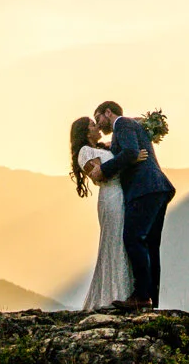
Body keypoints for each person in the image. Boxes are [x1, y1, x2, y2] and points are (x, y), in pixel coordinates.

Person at [94, 100, 174, 309]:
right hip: (157, 189)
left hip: (143, 189)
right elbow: (126, 150)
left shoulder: (122, 124)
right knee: (150, 245)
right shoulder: (128, 127)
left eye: (98, 118)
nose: (99, 125)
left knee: (133, 238)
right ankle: (150, 299)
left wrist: (104, 170)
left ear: (108, 112)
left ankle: (140, 295)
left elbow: (130, 152)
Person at [70, 115, 132, 311]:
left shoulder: (102, 148)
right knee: (114, 241)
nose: (97, 127)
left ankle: (124, 293)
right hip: (110, 197)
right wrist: (128, 158)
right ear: (86, 131)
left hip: (121, 194)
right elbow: (99, 174)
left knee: (122, 240)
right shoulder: (84, 152)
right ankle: (114, 295)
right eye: (92, 125)